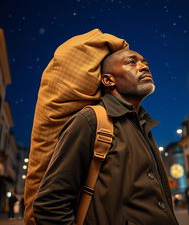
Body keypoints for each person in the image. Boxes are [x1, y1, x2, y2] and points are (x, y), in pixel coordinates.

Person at [32, 49, 179, 225]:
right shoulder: (91, 120)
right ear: (108, 80)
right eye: (132, 62)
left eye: (145, 62)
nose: (144, 67)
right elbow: (49, 205)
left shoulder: (143, 124)